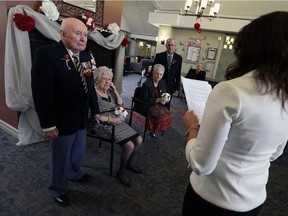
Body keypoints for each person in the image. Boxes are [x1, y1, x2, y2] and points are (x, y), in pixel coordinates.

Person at [182, 11, 288, 216]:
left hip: (212, 200)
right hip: (254, 201)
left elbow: (201, 165)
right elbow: (275, 153)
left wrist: (192, 129)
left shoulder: (231, 91)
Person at [31, 18, 100, 207]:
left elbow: (90, 88)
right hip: (61, 120)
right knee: (61, 157)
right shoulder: (46, 54)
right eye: (78, 33)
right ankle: (58, 188)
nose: (83, 38)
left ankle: (75, 173)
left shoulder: (85, 57)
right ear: (62, 34)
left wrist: (96, 111)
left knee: (78, 151)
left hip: (81, 117)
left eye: (85, 35)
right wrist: (48, 124)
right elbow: (41, 93)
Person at [89, 66, 143, 187]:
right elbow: (94, 116)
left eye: (109, 79)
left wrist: (115, 91)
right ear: (97, 79)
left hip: (117, 121)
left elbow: (120, 103)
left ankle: (129, 162)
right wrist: (112, 119)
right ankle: (122, 171)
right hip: (102, 124)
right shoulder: (93, 94)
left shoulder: (109, 92)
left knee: (139, 139)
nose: (108, 82)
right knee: (129, 145)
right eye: (104, 79)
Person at [139, 64, 172, 137]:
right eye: (157, 73)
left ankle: (154, 129)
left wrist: (166, 99)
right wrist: (157, 99)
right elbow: (144, 99)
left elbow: (165, 94)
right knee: (159, 116)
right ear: (153, 72)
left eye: (161, 74)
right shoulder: (147, 84)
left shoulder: (162, 82)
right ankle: (152, 129)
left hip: (158, 104)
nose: (158, 76)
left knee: (169, 114)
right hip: (148, 105)